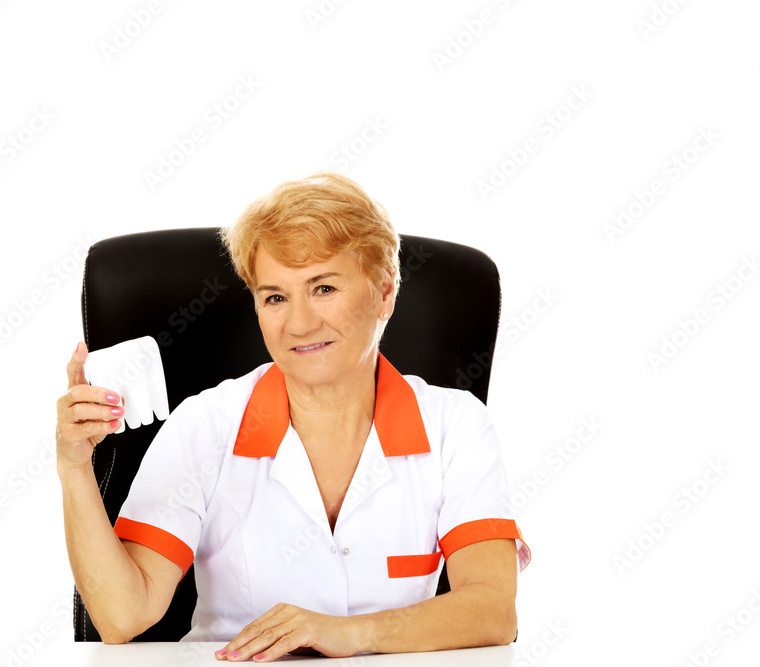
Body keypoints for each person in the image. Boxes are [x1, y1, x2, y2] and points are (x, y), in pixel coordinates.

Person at [56, 171, 530, 662]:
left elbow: (494, 610)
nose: (299, 323)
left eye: (323, 288)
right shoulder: (206, 425)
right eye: (275, 297)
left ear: (385, 292)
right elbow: (120, 618)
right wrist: (73, 465)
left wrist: (346, 634)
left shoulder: (456, 426)